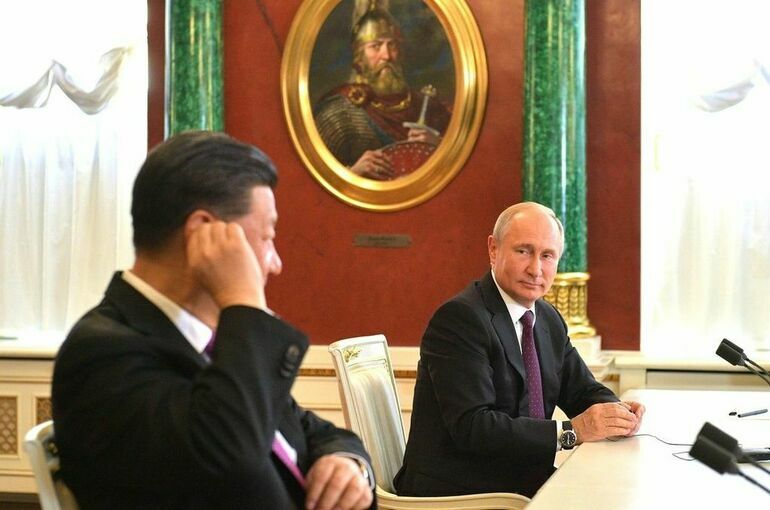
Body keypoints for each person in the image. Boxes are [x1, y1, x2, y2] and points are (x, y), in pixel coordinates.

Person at [52, 131, 375, 510]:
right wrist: (244, 302)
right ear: (205, 232)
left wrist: (344, 462)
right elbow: (231, 460)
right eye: (267, 236)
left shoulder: (203, 339)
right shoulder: (103, 353)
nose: (275, 263)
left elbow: (307, 428)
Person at [393, 202, 645, 498]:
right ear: (493, 249)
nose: (535, 269)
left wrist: (617, 413)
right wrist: (572, 430)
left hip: (520, 481)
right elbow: (473, 428)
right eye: (523, 251)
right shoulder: (460, 319)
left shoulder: (547, 318)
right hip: (461, 491)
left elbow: (582, 391)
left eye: (547, 256)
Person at [313, 5, 451, 180]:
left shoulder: (426, 105)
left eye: (391, 45)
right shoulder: (338, 113)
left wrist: (438, 146)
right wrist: (354, 173)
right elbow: (313, 180)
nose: (387, 56)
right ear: (359, 57)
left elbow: (463, 162)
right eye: (375, 46)